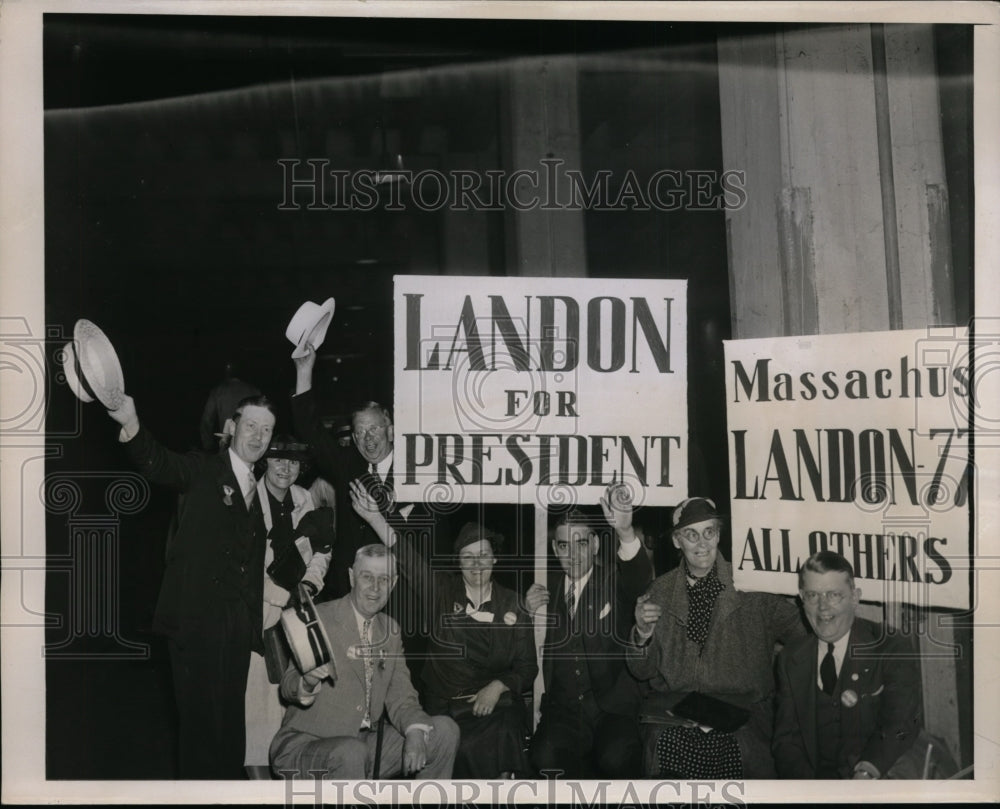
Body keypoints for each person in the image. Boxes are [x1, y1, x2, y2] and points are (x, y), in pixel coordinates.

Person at [108, 393, 275, 779]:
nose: (258, 436)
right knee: (201, 737)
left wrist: (250, 627)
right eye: (250, 425)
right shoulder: (203, 468)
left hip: (234, 629)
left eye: (266, 430)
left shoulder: (255, 484)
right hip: (197, 623)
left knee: (230, 732)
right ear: (232, 427)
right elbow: (161, 464)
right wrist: (131, 423)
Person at [351, 480, 537, 778]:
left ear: (495, 559)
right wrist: (375, 518)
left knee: (506, 736)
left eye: (484, 555)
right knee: (456, 746)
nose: (477, 564)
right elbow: (407, 557)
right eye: (468, 557)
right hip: (446, 707)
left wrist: (498, 686)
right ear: (458, 563)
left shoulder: (513, 603)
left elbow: (528, 668)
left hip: (495, 705)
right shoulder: (441, 590)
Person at [627, 496, 806, 779]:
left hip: (742, 709)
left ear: (719, 535)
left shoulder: (752, 583)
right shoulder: (660, 591)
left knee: (741, 753)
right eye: (691, 534)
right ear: (677, 541)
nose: (701, 543)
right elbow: (641, 671)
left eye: (709, 532)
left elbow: (802, 633)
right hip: (677, 709)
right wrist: (642, 634)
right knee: (663, 753)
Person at [269, 545, 459, 779]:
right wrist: (306, 682)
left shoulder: (390, 630)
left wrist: (416, 731)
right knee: (351, 752)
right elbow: (288, 684)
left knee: (443, 732)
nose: (375, 588)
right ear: (351, 577)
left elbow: (401, 695)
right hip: (305, 745)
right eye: (367, 577)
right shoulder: (320, 617)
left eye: (384, 579)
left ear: (394, 583)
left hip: (365, 745)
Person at [526, 486, 653, 779]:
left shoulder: (613, 580)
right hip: (564, 711)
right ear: (554, 548)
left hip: (612, 709)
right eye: (563, 546)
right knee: (544, 757)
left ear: (595, 545)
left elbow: (638, 578)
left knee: (617, 758)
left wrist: (625, 532)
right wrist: (525, 612)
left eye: (581, 543)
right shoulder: (548, 589)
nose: (572, 555)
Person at [772, 551, 924, 779]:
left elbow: (900, 725)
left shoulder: (890, 647)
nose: (823, 608)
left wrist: (867, 771)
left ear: (854, 597)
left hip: (878, 777)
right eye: (813, 595)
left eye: (833, 595)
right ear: (801, 599)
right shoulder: (790, 658)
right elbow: (786, 742)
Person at [244, 436, 333, 778]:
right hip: (255, 620)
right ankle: (260, 794)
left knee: (297, 713)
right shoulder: (247, 497)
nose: (285, 468)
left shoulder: (304, 499)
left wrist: (310, 583)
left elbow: (322, 550)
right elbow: (238, 564)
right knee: (258, 717)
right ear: (265, 460)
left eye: (293, 462)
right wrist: (279, 595)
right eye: (279, 459)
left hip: (298, 618)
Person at [199, 360, 261, 452]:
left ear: (226, 372)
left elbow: (207, 420)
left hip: (227, 442)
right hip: (249, 442)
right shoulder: (254, 390)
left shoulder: (218, 390)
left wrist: (207, 445)